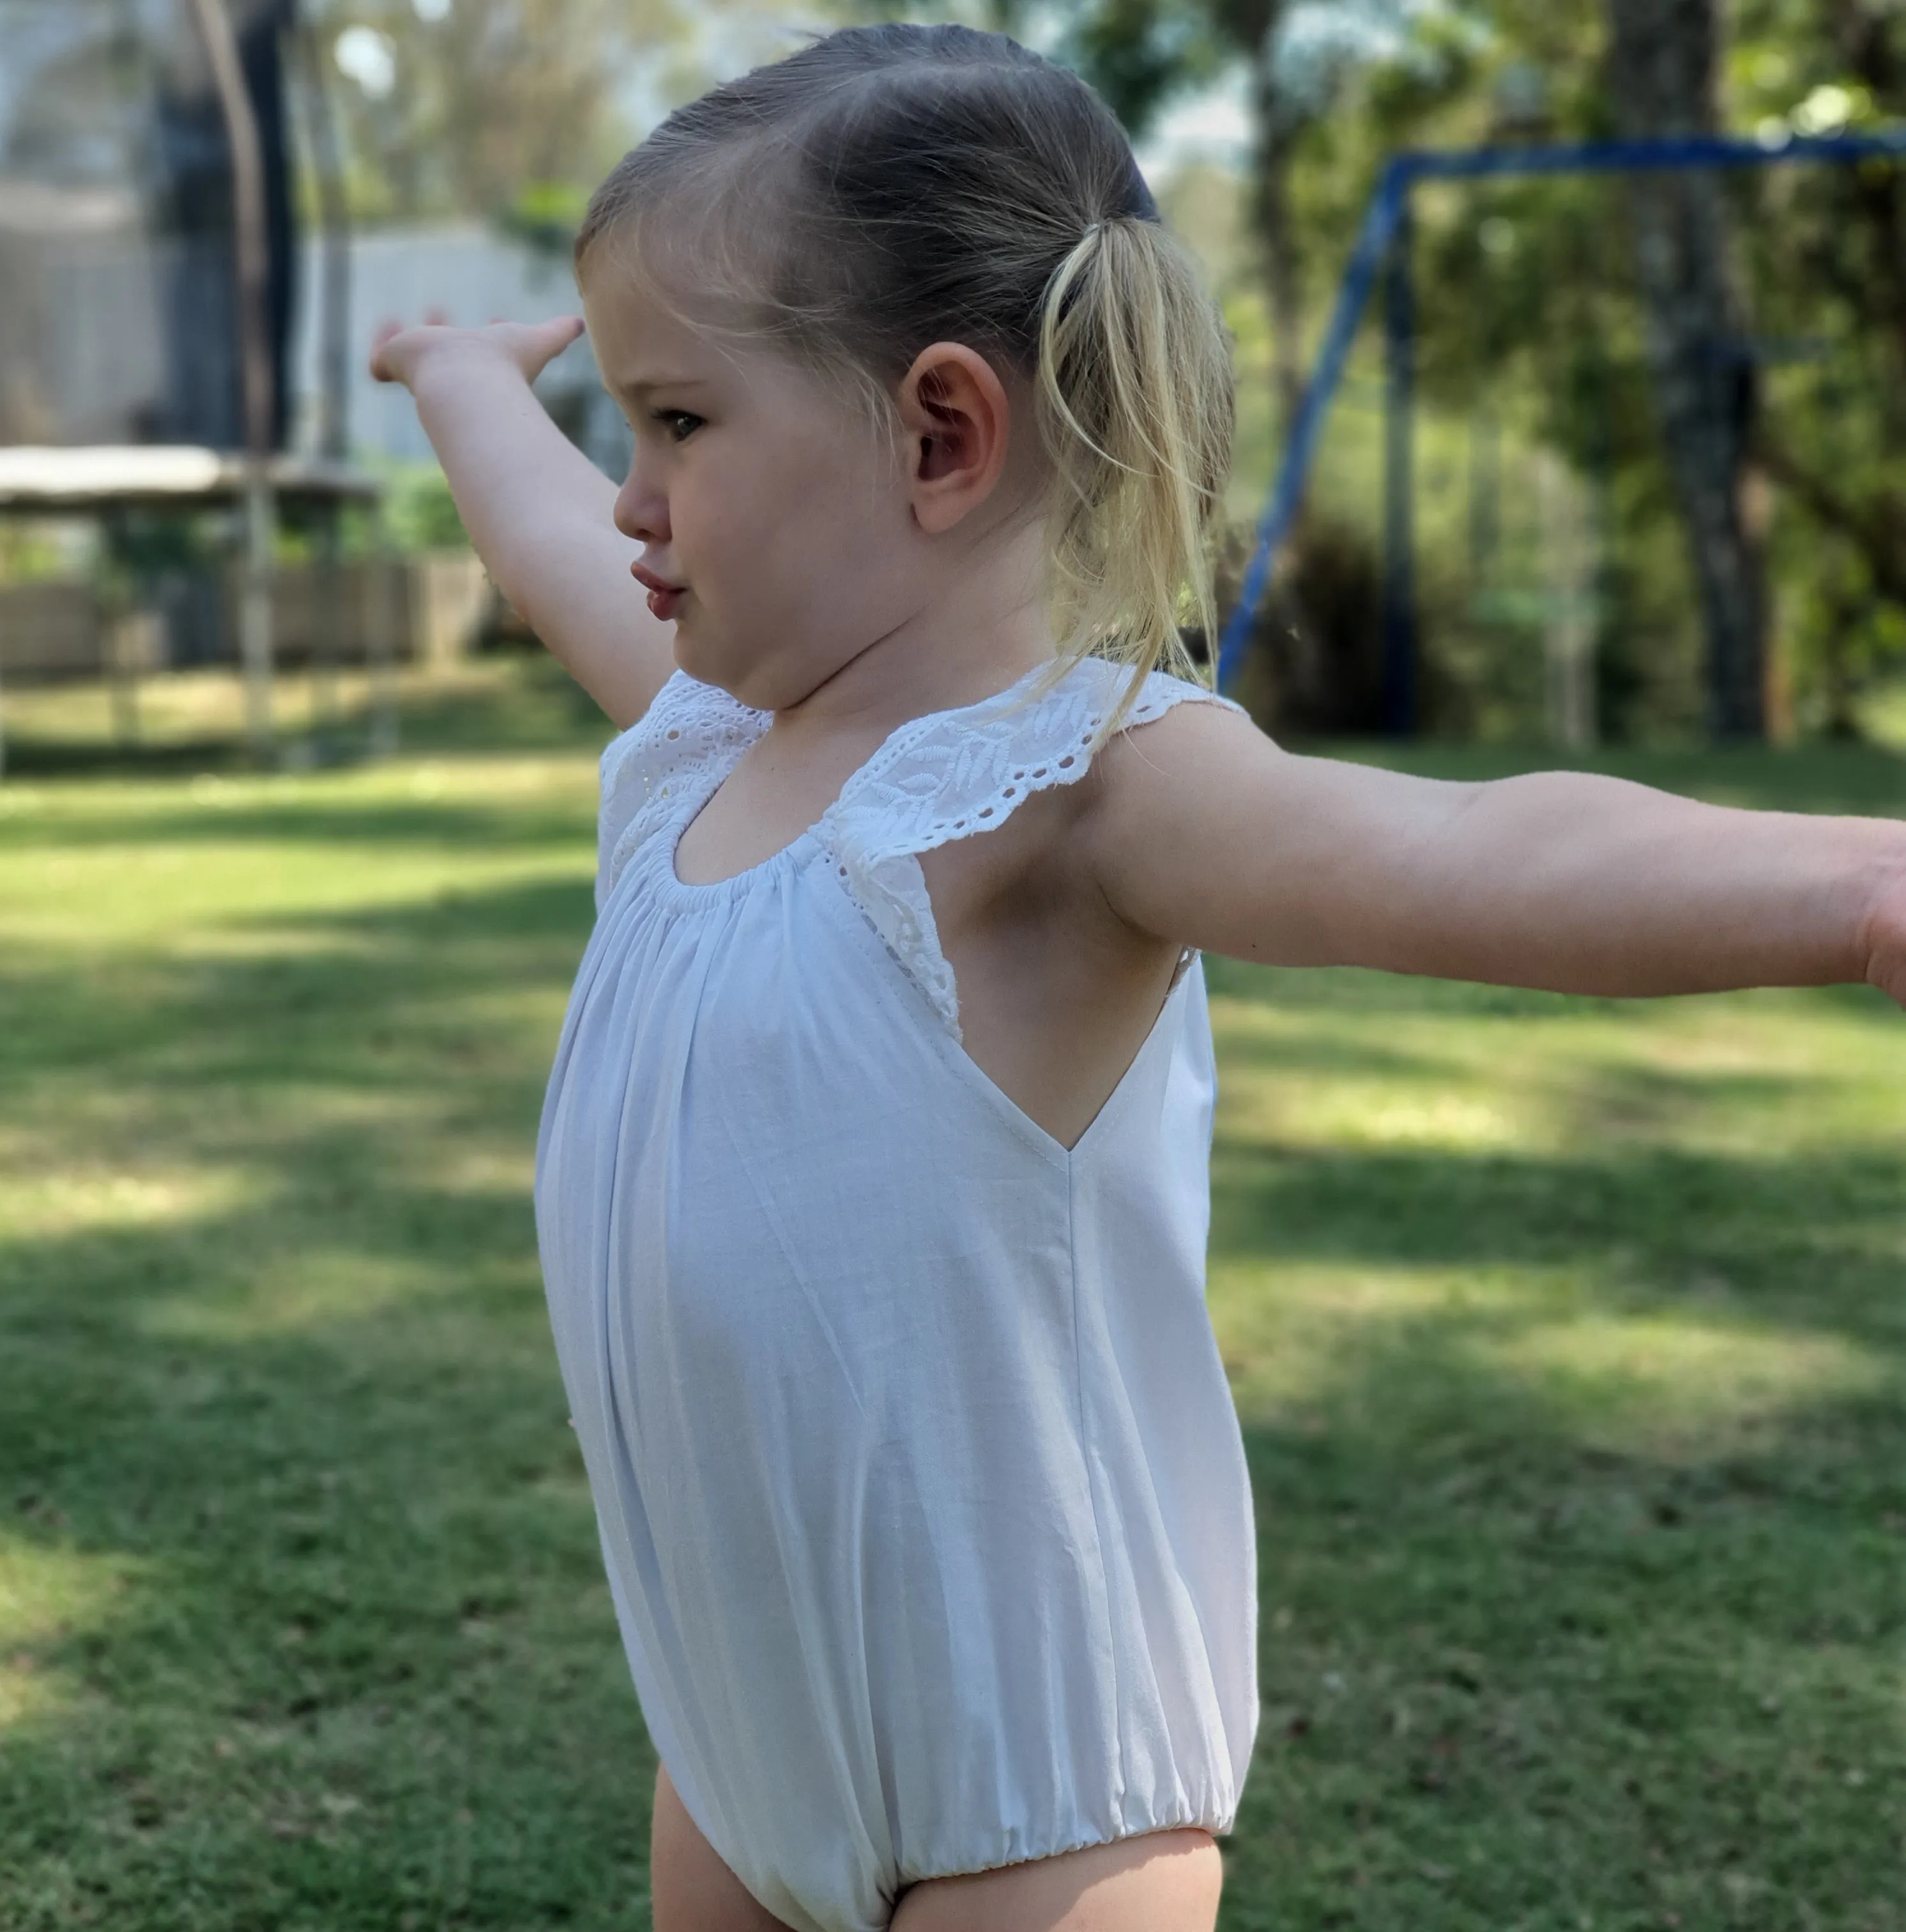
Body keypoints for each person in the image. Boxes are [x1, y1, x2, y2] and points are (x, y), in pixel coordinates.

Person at [370, 24, 1906, 1932]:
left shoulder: (1076, 792)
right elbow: (536, 543)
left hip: (1038, 1797)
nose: (625, 494)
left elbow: (1467, 849)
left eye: (676, 424)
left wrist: (1865, 889)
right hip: (739, 1751)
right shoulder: (700, 739)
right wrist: (452, 380)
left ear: (940, 433)